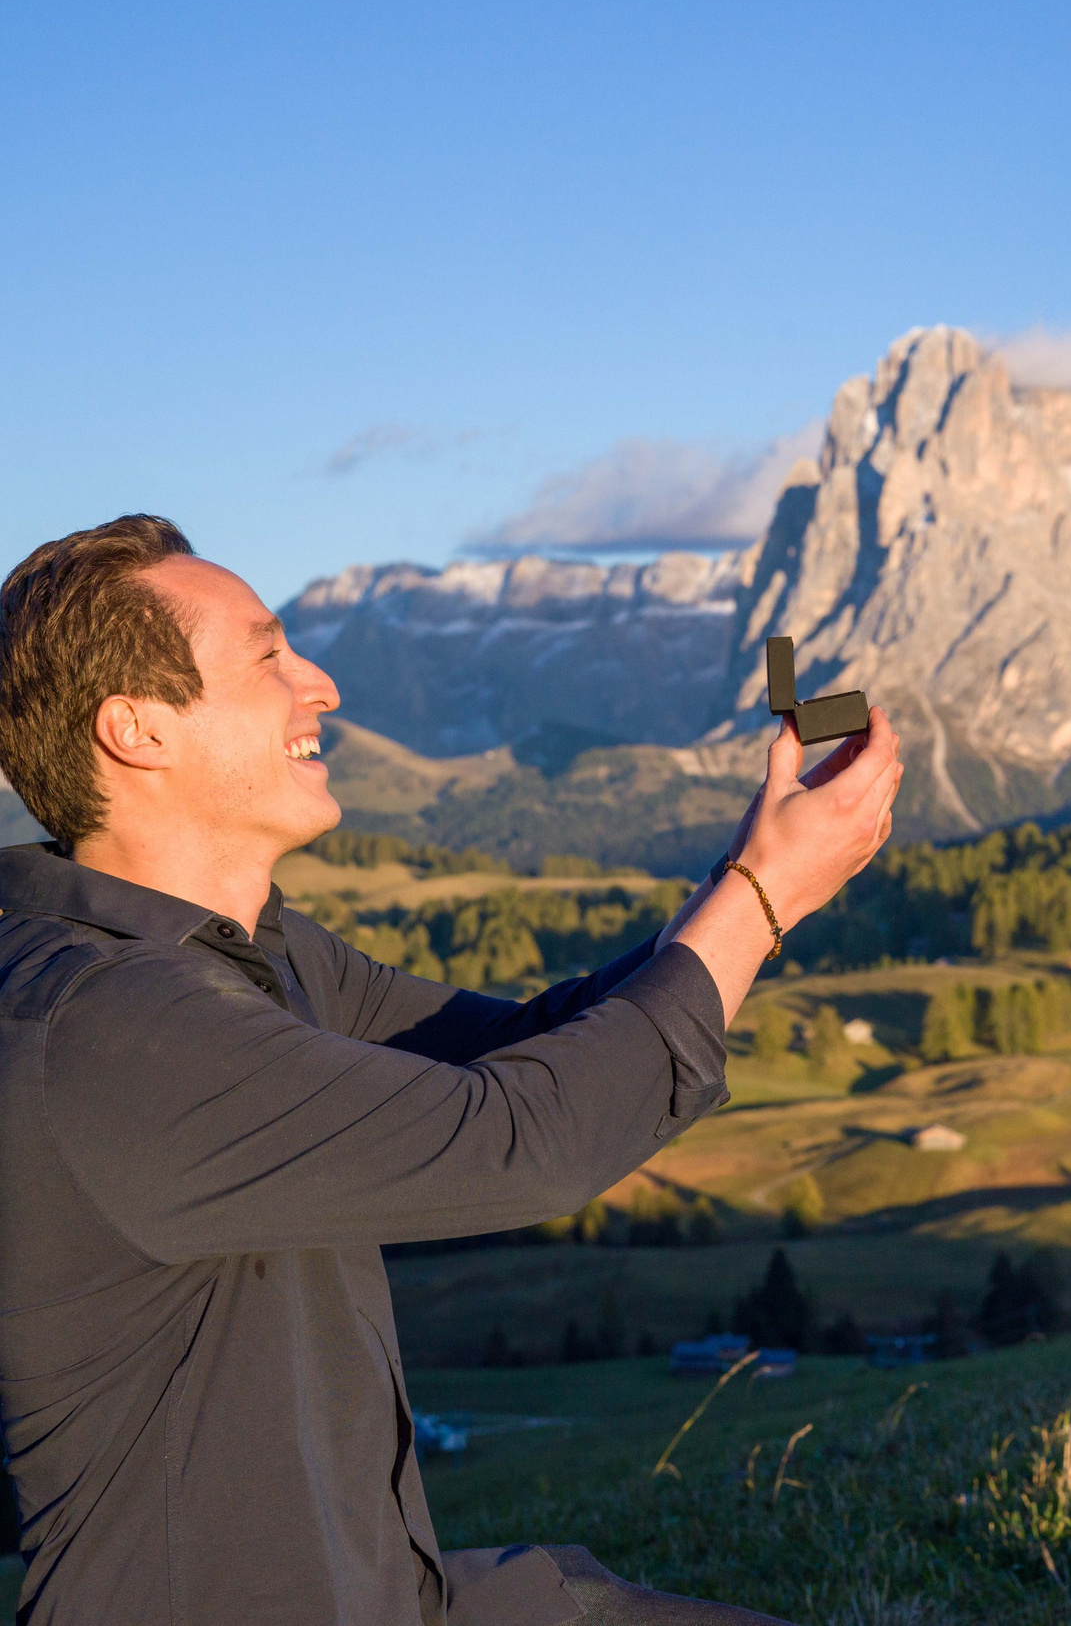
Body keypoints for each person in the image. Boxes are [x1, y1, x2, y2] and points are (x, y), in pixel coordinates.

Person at [0, 514, 902, 1625]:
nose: (320, 686)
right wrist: (765, 898)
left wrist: (744, 879)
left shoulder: (249, 956)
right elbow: (520, 1140)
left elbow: (528, 1047)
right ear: (136, 730)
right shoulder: (107, 1029)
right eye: (270, 656)